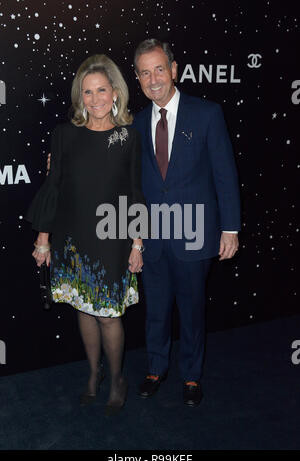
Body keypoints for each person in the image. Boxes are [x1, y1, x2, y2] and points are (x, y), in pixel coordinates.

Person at [26, 54, 144, 415]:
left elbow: (136, 194)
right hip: (72, 239)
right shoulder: (65, 135)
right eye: (87, 92)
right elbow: (53, 190)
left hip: (112, 238)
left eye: (102, 91)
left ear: (115, 93)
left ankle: (118, 378)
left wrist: (138, 243)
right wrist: (43, 240)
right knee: (84, 308)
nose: (95, 100)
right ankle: (94, 375)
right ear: (80, 96)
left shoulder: (128, 137)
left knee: (108, 314)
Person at [133, 39, 241, 406]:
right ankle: (155, 368)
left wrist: (230, 228)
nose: (153, 79)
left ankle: (192, 376)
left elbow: (225, 174)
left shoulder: (206, 113)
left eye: (159, 69)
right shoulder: (134, 122)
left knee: (193, 310)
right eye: (145, 72)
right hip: (153, 237)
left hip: (196, 234)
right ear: (137, 78)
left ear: (174, 70)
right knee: (156, 309)